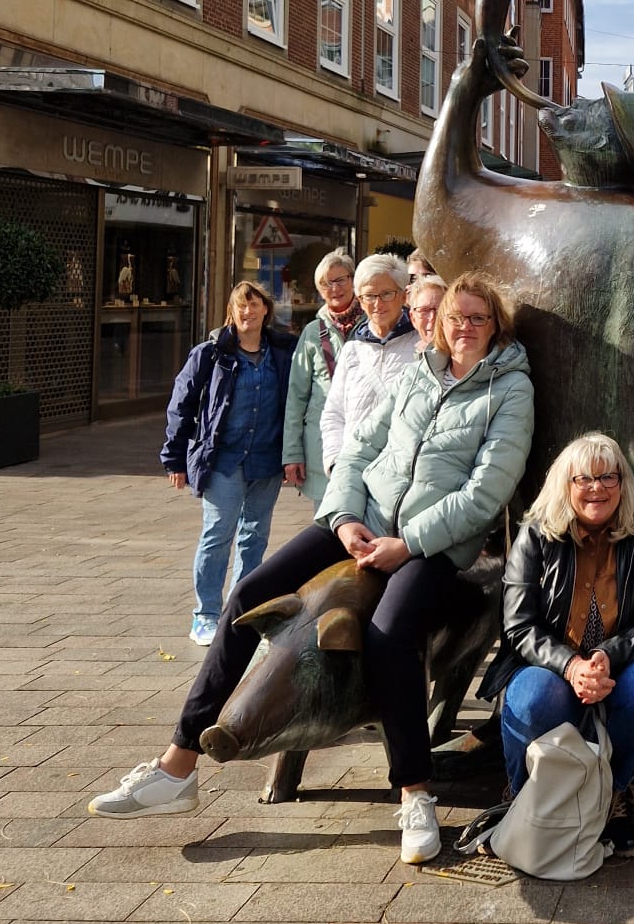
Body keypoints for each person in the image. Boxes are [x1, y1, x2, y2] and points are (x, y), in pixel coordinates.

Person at [91, 273, 534, 864]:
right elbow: (358, 449)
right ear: (443, 323)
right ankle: (178, 765)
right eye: (457, 317)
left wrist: (407, 543)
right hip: (362, 517)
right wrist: (346, 516)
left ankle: (414, 793)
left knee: (390, 636)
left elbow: (486, 492)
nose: (465, 328)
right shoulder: (418, 374)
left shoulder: (509, 390)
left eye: (479, 319)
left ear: (495, 326)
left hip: (431, 546)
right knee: (249, 594)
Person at [494, 433, 634, 860]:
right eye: (584, 478)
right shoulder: (537, 533)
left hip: (620, 667)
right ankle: (525, 797)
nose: (597, 487)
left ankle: (608, 795)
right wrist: (570, 666)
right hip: (552, 668)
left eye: (607, 477)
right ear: (566, 483)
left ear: (623, 482)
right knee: (531, 697)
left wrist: (605, 658)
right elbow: (518, 626)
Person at [162, 280, 295, 646]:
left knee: (255, 538)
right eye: (241, 306)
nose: (247, 312)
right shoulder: (210, 354)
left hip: (267, 460)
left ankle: (243, 610)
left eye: (254, 306)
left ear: (266, 310)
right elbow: (181, 405)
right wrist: (174, 458)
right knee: (218, 535)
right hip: (223, 461)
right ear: (232, 312)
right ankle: (205, 615)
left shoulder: (284, 352)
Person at [320, 253, 419, 471]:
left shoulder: (421, 347)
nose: (377, 304)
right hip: (353, 469)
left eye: (386, 294)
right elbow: (333, 413)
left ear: (404, 296)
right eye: (369, 296)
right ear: (360, 300)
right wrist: (335, 462)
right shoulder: (352, 350)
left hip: (401, 472)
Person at [281, 251, 362, 510]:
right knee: (326, 528)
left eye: (340, 280)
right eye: (326, 283)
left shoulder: (374, 325)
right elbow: (296, 396)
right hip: (324, 447)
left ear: (354, 281)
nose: (334, 288)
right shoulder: (312, 333)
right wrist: (292, 453)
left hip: (367, 442)